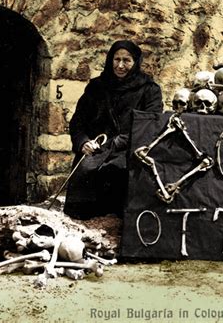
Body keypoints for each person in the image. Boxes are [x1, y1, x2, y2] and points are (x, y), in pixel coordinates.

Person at [63, 40, 163, 219]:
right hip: (95, 149)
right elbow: (78, 121)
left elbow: (150, 126)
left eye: (127, 60)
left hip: (128, 150)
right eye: (116, 59)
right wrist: (83, 142)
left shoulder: (149, 90)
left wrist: (117, 142)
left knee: (114, 174)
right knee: (84, 174)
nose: (121, 65)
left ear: (136, 62)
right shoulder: (97, 87)